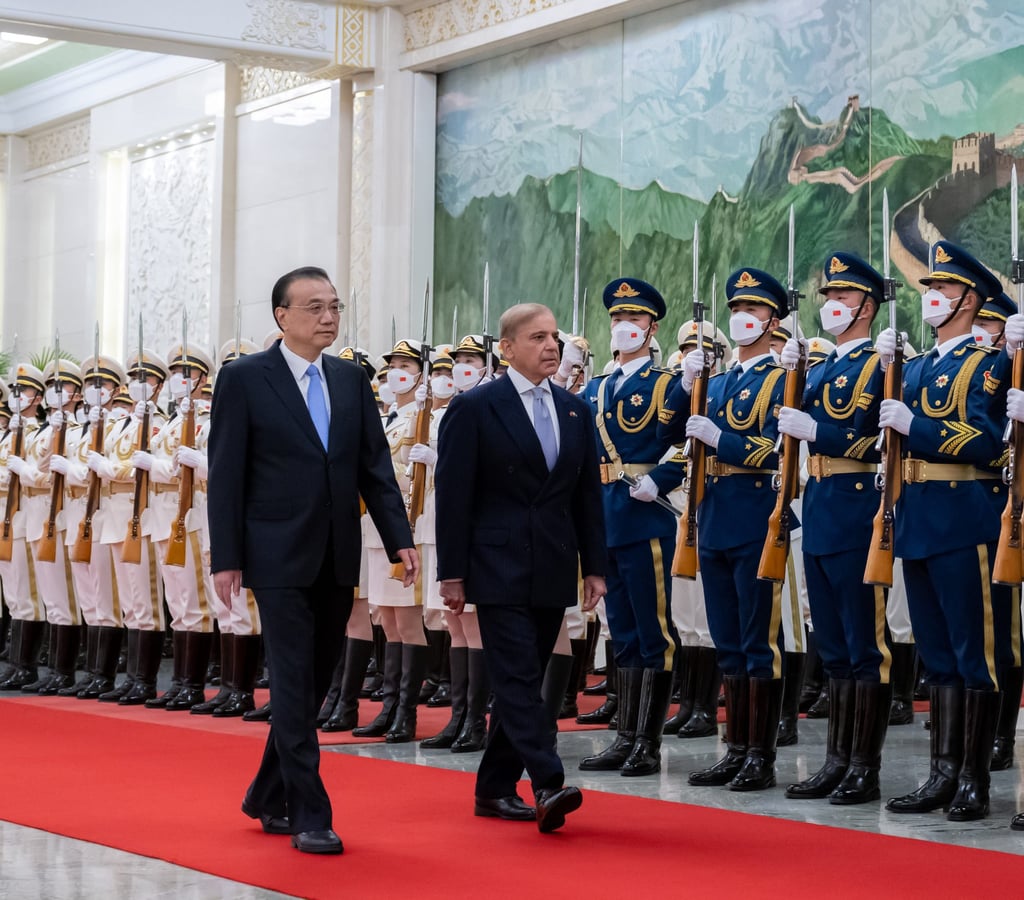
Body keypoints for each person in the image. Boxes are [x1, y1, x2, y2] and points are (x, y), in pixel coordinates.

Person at [208, 265, 418, 855]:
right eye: (315, 307)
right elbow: (225, 474)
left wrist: (398, 535)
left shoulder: (351, 380)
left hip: (336, 551)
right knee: (295, 678)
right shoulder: (246, 379)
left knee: (315, 678)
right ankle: (309, 812)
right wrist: (227, 557)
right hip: (273, 553)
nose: (329, 317)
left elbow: (374, 466)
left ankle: (265, 794)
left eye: (335, 307)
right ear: (283, 316)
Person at [435, 302, 607, 833]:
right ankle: (549, 781)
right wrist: (453, 572)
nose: (551, 346)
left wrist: (594, 567)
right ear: (507, 349)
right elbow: (454, 496)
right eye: (537, 338)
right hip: (496, 563)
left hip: (553, 563)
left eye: (554, 337)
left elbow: (586, 498)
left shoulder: (575, 410)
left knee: (522, 678)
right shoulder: (475, 407)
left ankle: (493, 789)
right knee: (516, 677)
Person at [876, 241, 1006, 822]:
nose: (930, 297)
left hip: (962, 518)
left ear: (970, 299)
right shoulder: (919, 366)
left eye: (943, 289)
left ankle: (973, 780)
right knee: (937, 657)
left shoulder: (988, 364)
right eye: (928, 288)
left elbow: (984, 443)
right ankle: (943, 772)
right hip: (920, 521)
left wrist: (916, 427)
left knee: (974, 655)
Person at [660, 267, 790, 792]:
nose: (742, 317)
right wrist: (684, 387)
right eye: (736, 308)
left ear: (772, 320)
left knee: (758, 641)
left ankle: (760, 754)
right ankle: (734, 748)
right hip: (711, 515)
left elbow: (778, 450)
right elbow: (670, 434)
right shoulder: (718, 380)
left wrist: (723, 439)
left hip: (754, 514)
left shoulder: (780, 378)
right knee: (727, 641)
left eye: (753, 310)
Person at [776, 252, 892, 804]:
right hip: (820, 508)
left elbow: (881, 442)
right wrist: (792, 372)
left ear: (867, 306)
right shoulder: (819, 368)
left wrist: (819, 432)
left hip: (854, 510)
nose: (831, 306)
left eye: (841, 298)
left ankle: (863, 767)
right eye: (828, 298)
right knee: (835, 647)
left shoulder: (881, 364)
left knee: (863, 646)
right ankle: (836, 760)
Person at [579, 278, 684, 778]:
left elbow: (689, 443)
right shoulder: (594, 388)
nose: (625, 327)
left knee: (652, 632)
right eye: (618, 319)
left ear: (651, 327)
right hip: (604, 517)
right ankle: (624, 734)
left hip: (645, 516)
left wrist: (659, 479)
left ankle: (648, 740)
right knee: (621, 632)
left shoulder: (667, 384)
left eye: (635, 320)